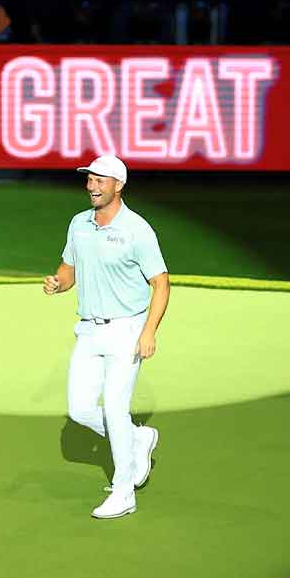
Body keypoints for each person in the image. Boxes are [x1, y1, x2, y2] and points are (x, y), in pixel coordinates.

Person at [40, 155, 171, 520]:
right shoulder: (79, 224)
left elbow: (161, 283)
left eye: (100, 180)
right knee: (80, 409)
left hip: (127, 330)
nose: (92, 186)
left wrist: (149, 331)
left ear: (119, 185)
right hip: (89, 330)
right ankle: (137, 438)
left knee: (114, 408)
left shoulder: (138, 230)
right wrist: (58, 283)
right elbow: (69, 269)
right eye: (89, 180)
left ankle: (124, 492)